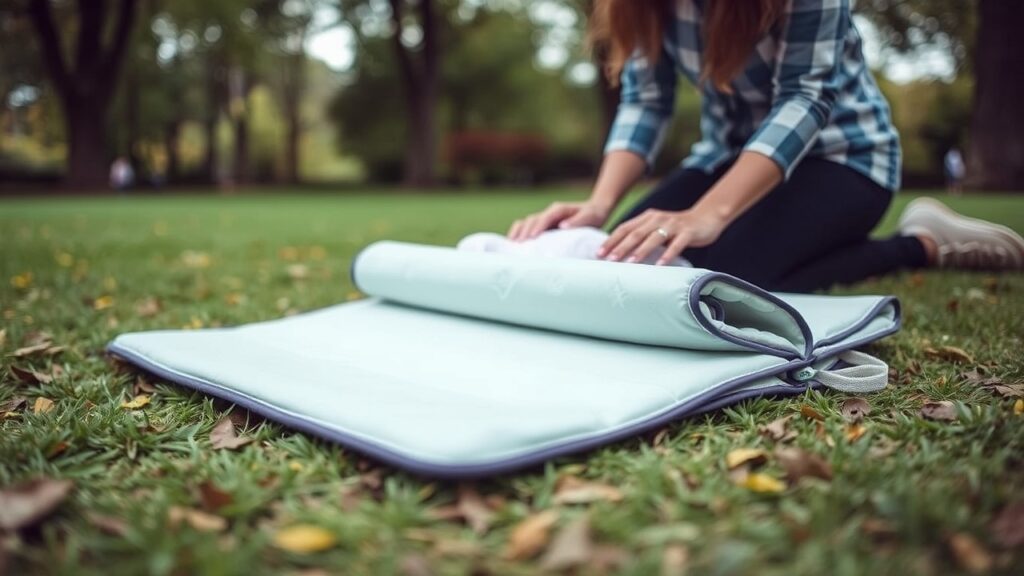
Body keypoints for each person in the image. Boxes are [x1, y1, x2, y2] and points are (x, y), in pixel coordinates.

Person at [508, 0, 1024, 292]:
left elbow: (804, 97)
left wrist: (709, 213)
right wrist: (599, 206)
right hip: (725, 156)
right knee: (630, 262)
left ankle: (921, 245)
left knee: (726, 281)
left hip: (846, 159)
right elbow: (645, 101)